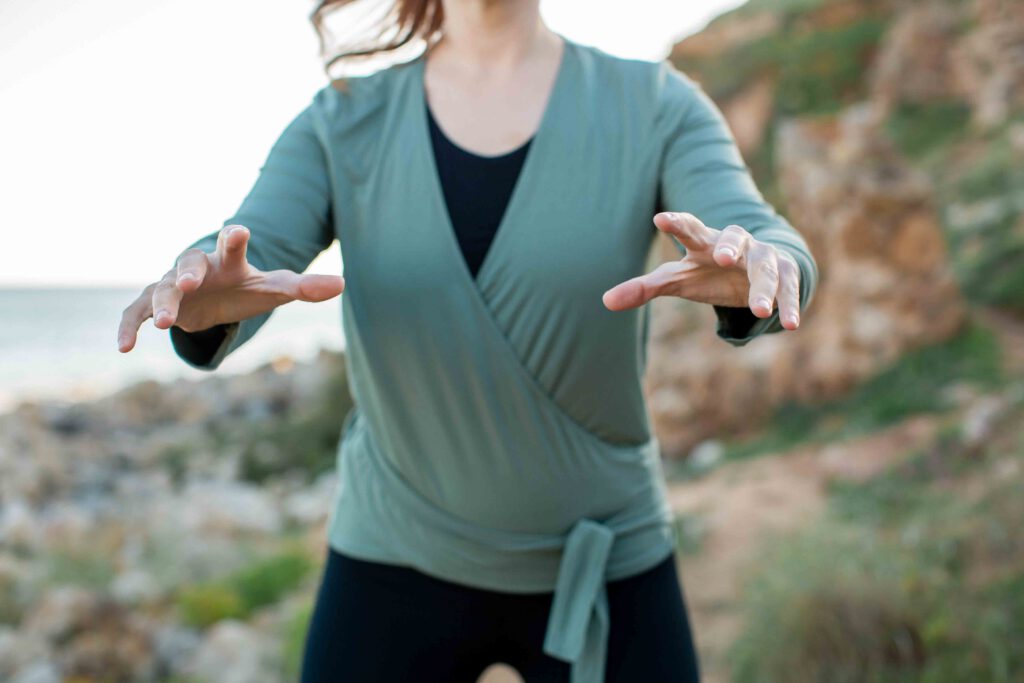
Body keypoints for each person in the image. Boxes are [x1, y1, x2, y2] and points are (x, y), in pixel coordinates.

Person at [117, 0, 818, 680]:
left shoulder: (657, 103)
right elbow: (248, 248)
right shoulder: (341, 120)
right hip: (391, 560)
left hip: (605, 561)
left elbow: (758, 232)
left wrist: (767, 268)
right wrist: (202, 293)